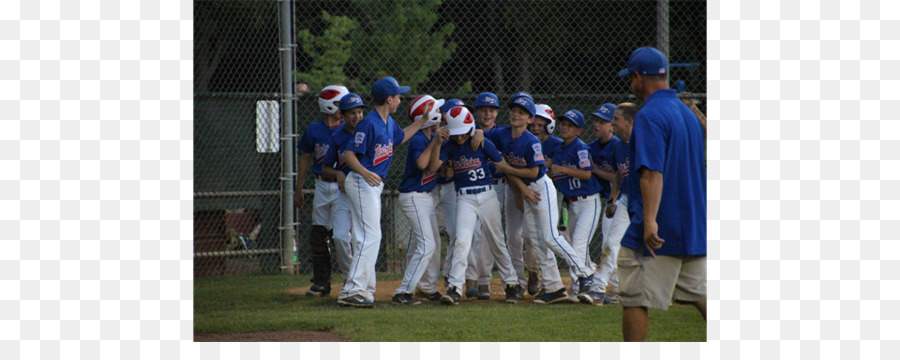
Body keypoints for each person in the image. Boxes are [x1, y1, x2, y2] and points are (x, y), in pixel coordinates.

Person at [616, 47, 707, 341]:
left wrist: (649, 221)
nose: (631, 84)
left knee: (634, 297)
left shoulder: (649, 115)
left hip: (658, 227)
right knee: (698, 294)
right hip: (692, 225)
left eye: (632, 78)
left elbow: (652, 173)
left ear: (639, 78)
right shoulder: (687, 114)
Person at [483, 95, 597, 304]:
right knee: (535, 239)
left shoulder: (532, 141)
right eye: (514, 110)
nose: (516, 114)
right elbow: (482, 134)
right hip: (527, 191)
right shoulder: (502, 134)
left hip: (540, 188)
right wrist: (475, 134)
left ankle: (586, 273)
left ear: (529, 118)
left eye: (522, 112)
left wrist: (507, 168)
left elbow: (534, 171)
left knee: (551, 236)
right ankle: (554, 288)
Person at [336, 77, 430, 308]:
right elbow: (349, 154)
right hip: (361, 181)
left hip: (371, 184)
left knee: (363, 237)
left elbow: (400, 137)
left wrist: (423, 121)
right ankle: (351, 290)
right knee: (371, 236)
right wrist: (365, 172)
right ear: (389, 99)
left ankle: (365, 291)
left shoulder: (387, 122)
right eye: (398, 96)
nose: (400, 100)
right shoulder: (369, 123)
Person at [427, 106, 521, 305]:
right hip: (464, 198)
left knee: (497, 241)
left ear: (469, 128)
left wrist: (481, 135)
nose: (459, 138)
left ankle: (511, 284)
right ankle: (454, 288)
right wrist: (437, 142)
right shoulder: (448, 145)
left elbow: (501, 163)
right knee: (462, 241)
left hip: (487, 195)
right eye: (455, 134)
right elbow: (433, 167)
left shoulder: (480, 140)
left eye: (462, 134)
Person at [545, 109, 605, 305]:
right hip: (570, 204)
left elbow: (587, 174)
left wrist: (561, 168)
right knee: (573, 246)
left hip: (589, 202)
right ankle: (583, 281)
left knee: (579, 244)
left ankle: (582, 284)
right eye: (562, 123)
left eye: (569, 125)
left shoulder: (580, 148)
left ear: (579, 131)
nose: (564, 127)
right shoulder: (559, 149)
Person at [295, 84, 349, 296]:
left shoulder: (347, 129)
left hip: (342, 187)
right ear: (329, 106)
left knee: (342, 235)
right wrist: (298, 189)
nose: (343, 109)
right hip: (321, 184)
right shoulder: (314, 130)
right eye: (339, 104)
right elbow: (306, 158)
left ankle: (349, 278)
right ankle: (321, 282)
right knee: (318, 234)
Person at [391, 95, 444, 305]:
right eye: (436, 112)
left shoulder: (431, 137)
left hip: (425, 197)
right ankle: (403, 292)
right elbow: (423, 164)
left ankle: (427, 287)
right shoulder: (419, 140)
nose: (440, 115)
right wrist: (435, 142)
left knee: (430, 243)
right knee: (427, 245)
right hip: (413, 196)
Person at [415, 98, 468, 302]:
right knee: (426, 238)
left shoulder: (462, 133)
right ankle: (424, 284)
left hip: (451, 188)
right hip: (430, 188)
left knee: (457, 232)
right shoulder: (434, 132)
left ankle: (449, 276)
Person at [320, 93, 369, 284]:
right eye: (352, 113)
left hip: (365, 193)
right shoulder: (338, 135)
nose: (357, 116)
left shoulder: (368, 130)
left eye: (360, 112)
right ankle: (350, 277)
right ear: (342, 115)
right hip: (345, 194)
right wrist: (338, 174)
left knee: (360, 239)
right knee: (340, 237)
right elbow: (325, 167)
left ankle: (358, 281)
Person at [465, 92, 505, 300]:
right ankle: (471, 278)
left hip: (498, 187)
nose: (487, 114)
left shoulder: (503, 133)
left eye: (491, 110)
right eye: (483, 110)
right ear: (476, 112)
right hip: (471, 188)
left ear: (497, 112)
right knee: (471, 233)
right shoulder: (466, 130)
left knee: (490, 236)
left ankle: (484, 281)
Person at [587, 102, 628, 305]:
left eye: (603, 121)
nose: (597, 125)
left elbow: (617, 176)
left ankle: (612, 287)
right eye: (596, 120)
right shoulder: (599, 148)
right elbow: (618, 176)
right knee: (611, 244)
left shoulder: (624, 145)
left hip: (631, 200)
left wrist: (594, 169)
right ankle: (608, 288)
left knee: (614, 244)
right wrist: (613, 197)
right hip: (615, 199)